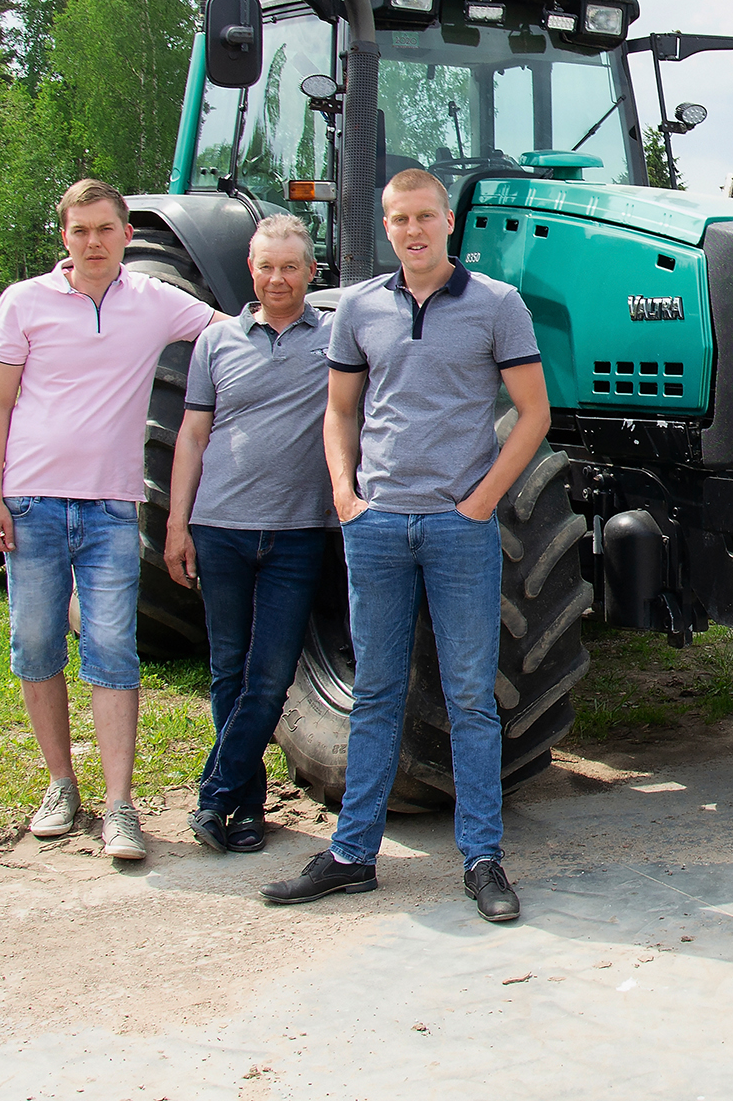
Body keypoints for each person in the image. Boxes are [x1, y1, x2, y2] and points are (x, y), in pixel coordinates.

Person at [260, 167, 549, 920]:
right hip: (379, 527)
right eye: (398, 219)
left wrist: (480, 503)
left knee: (469, 698)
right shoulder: (359, 307)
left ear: (448, 221)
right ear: (386, 227)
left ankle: (482, 858)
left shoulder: (497, 305)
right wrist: (346, 497)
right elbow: (339, 413)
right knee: (379, 694)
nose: (412, 230)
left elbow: (534, 413)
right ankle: (353, 854)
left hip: (459, 530)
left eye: (424, 216)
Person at [0, 178, 228, 860]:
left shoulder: (153, 302)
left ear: (125, 234)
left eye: (105, 229)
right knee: (35, 646)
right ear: (64, 235)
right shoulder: (24, 303)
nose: (93, 242)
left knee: (114, 650)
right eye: (80, 230)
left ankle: (120, 804)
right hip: (31, 503)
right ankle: (61, 784)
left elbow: (228, 332)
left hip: (112, 509)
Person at [164, 214, 337, 855]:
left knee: (269, 678)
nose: (277, 278)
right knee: (227, 673)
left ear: (310, 272)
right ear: (251, 269)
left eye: (290, 266)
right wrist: (178, 524)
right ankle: (245, 807)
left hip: (297, 532)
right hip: (221, 528)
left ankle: (213, 797)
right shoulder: (217, 344)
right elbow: (193, 435)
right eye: (266, 266)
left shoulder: (337, 338)